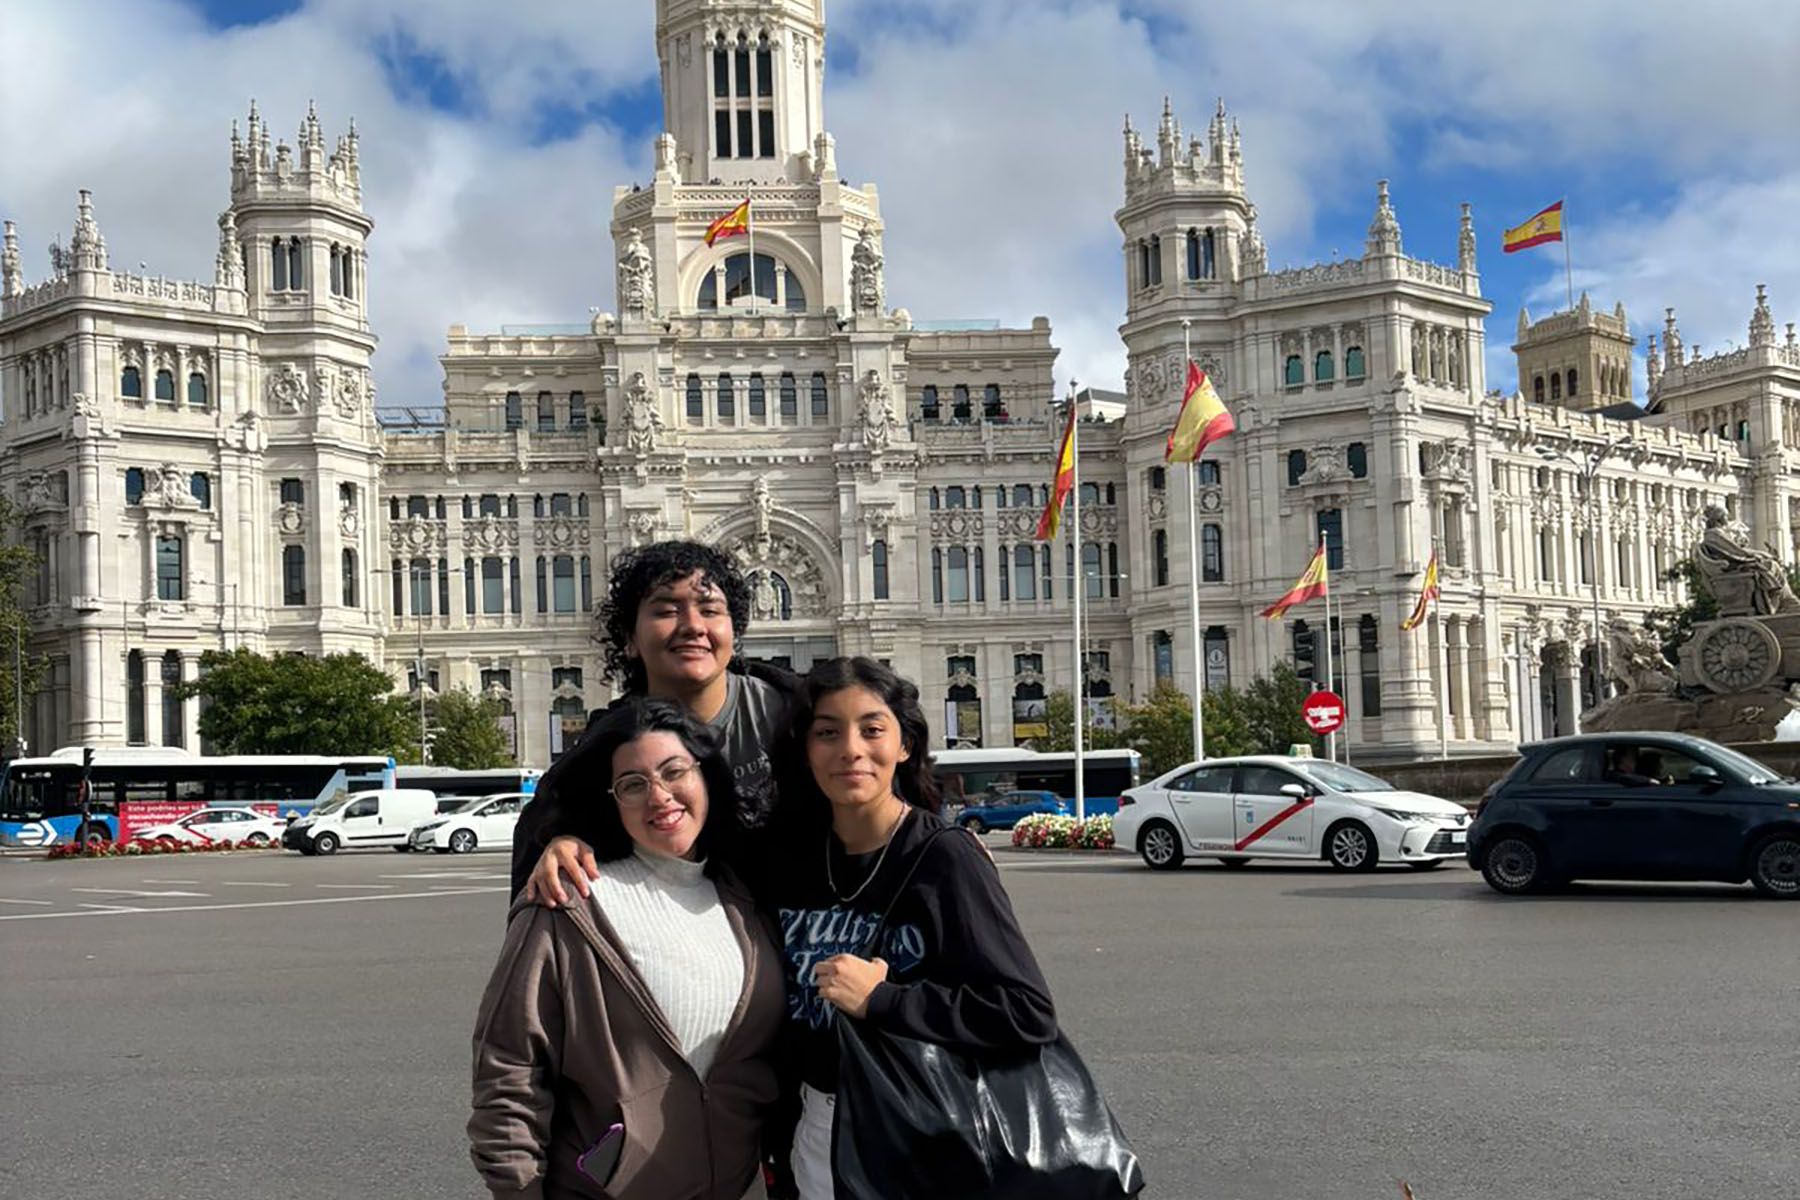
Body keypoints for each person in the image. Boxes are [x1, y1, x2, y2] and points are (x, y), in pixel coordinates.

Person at [762, 657, 1058, 1199]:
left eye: (872, 729)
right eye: (827, 732)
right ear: (805, 750)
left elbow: (1025, 1012)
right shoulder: (789, 860)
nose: (851, 748)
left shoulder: (943, 858)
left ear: (903, 745)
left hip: (923, 1126)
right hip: (819, 1127)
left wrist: (883, 1001)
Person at [470, 699, 786, 1200]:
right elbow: (509, 1070)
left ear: (707, 777)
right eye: (633, 784)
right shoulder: (568, 902)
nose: (659, 796)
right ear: (612, 801)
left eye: (673, 771)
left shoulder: (743, 897)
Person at [514, 540, 795, 902]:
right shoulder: (603, 751)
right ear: (630, 639)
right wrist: (564, 842)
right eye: (666, 611)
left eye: (710, 610)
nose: (693, 626)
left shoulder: (797, 719)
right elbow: (550, 838)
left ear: (734, 631)